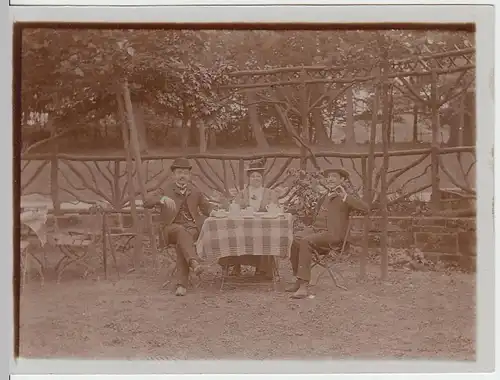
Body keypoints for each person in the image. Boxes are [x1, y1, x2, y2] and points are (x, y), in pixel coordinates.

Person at [287, 167, 369, 299]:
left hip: (333, 236)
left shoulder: (345, 198)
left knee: (305, 241)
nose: (330, 179)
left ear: (342, 180)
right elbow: (315, 218)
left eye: (334, 177)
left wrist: (346, 197)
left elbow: (366, 209)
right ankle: (298, 279)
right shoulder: (324, 197)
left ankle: (304, 286)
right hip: (316, 232)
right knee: (293, 239)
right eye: (329, 177)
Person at [145, 157, 214, 296]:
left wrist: (217, 211)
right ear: (173, 175)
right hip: (170, 229)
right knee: (182, 232)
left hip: (191, 228)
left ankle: (182, 284)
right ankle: (194, 263)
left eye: (185, 172)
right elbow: (147, 202)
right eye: (179, 172)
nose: (182, 175)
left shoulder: (195, 191)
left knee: (183, 240)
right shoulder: (165, 189)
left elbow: (206, 208)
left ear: (189, 175)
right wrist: (161, 199)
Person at [222, 159, 279, 278]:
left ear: (262, 178)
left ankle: (263, 269)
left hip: (264, 226)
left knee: (265, 236)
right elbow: (235, 206)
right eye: (253, 176)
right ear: (249, 179)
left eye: (258, 176)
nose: (255, 178)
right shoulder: (243, 193)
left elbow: (274, 208)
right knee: (236, 234)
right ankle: (235, 264)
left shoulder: (270, 193)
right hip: (245, 226)